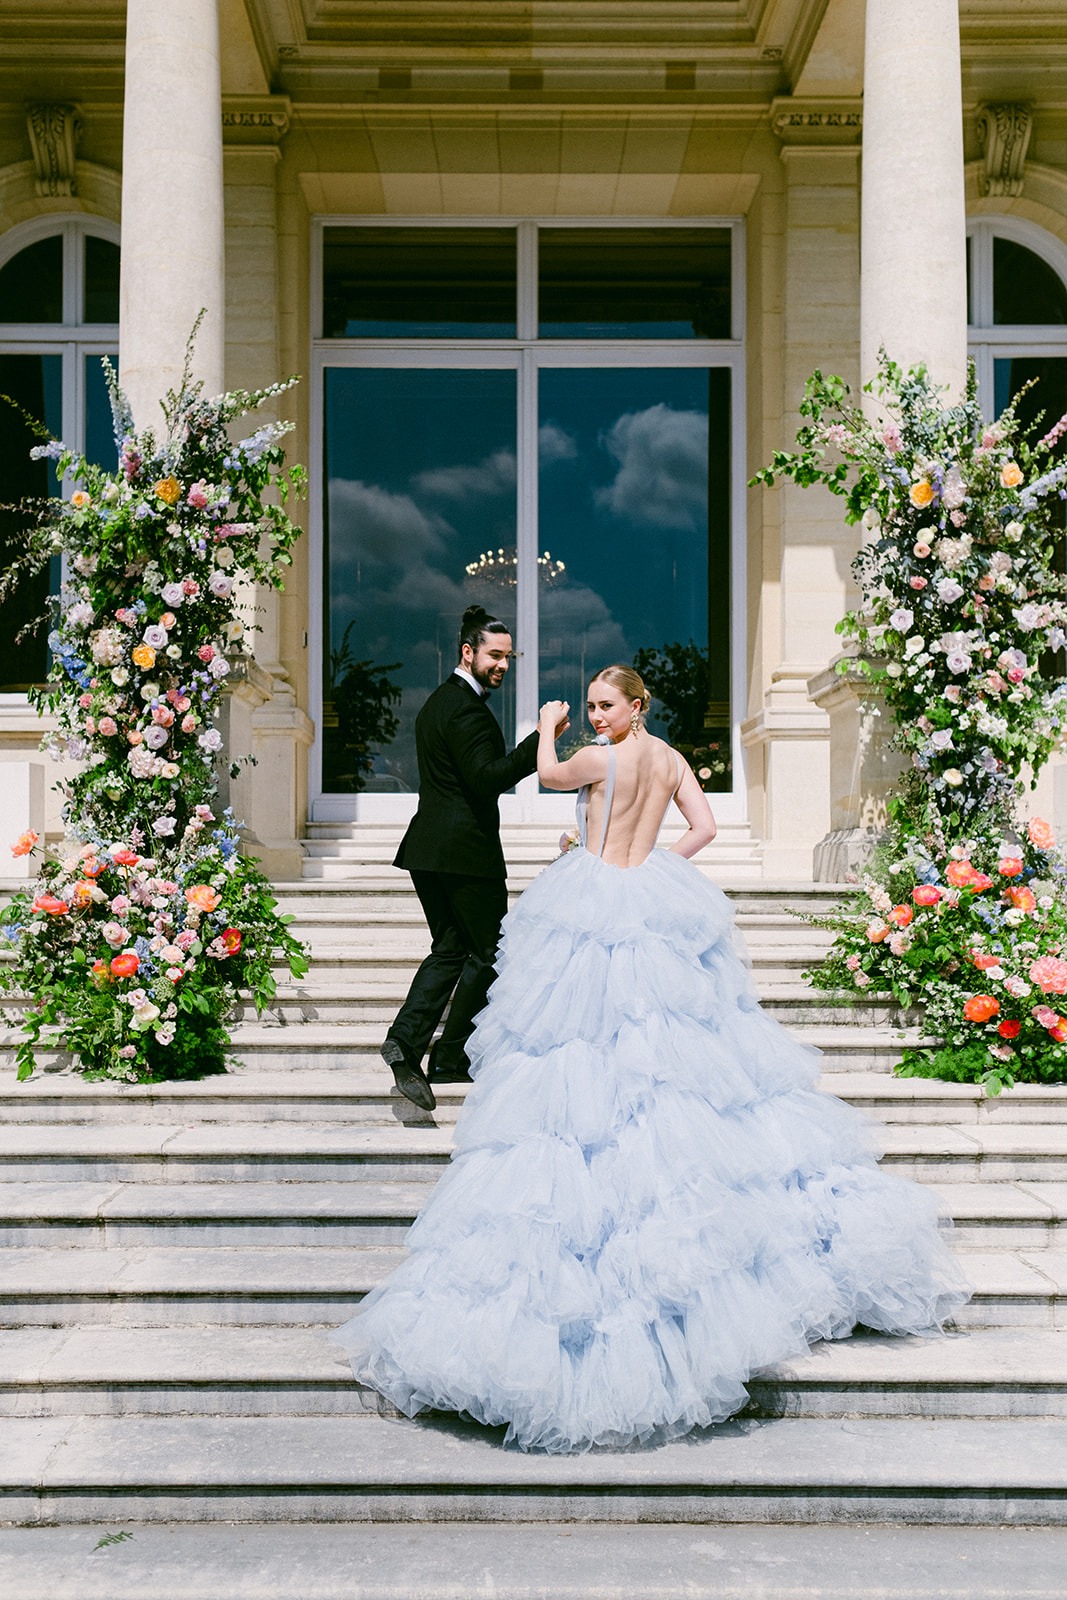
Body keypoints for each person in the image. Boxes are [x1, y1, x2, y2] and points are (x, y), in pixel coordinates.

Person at [337, 664, 971, 1452]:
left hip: (594, 896)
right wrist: (657, 867)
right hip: (648, 894)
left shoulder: (597, 756)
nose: (596, 716)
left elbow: (545, 775)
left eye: (606, 706)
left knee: (582, 1047)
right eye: (590, 707)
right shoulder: (669, 758)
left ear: (635, 706)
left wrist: (547, 728)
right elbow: (702, 829)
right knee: (662, 1046)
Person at [380, 605, 550, 1112]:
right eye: (495, 655)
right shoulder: (464, 709)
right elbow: (485, 779)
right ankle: (446, 1052)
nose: (503, 664)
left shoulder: (440, 702)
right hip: (464, 854)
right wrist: (542, 738)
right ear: (467, 651)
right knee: (490, 952)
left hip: (431, 849)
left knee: (452, 949)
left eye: (508, 656)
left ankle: (413, 1046)